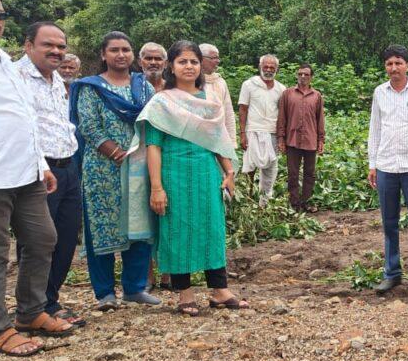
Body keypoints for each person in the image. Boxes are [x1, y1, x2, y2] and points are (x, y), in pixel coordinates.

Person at [0, 0, 71, 355]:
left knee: (43, 239)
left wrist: (41, 164)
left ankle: (30, 312)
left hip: (26, 175)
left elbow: (25, 118)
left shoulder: (2, 61)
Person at [135, 41, 247, 315]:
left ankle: (220, 290)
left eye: (194, 61)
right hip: (174, 174)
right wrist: (157, 187)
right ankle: (184, 293)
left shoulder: (209, 101)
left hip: (206, 172)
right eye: (182, 61)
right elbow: (153, 146)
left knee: (213, 228)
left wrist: (229, 171)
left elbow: (217, 140)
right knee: (177, 229)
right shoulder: (161, 102)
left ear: (200, 66)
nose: (189, 66)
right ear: (171, 66)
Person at [70, 31, 158, 310]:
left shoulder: (144, 86)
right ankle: (105, 292)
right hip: (102, 168)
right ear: (103, 54)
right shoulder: (90, 88)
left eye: (125, 50)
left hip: (140, 165)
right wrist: (117, 153)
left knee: (139, 223)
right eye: (114, 50)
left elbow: (154, 120)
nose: (121, 55)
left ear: (133, 54)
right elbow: (88, 126)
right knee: (101, 226)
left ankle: (134, 288)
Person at [15, 22, 84, 327]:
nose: (56, 51)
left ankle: (50, 301)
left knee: (66, 237)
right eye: (48, 45)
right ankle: (32, 307)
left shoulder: (56, 78)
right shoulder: (15, 76)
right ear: (28, 45)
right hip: (39, 170)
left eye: (61, 46)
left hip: (68, 166)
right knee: (39, 240)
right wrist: (40, 165)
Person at [367, 45, 408, 294]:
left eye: (398, 63)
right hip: (386, 165)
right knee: (389, 221)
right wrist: (373, 164)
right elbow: (375, 129)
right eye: (389, 64)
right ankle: (392, 272)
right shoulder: (379, 92)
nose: (394, 68)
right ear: (385, 67)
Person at [276, 64, 325, 212]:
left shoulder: (316, 96)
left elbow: (320, 119)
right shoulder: (287, 94)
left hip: (310, 139)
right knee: (292, 173)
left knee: (310, 173)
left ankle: (306, 201)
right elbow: (282, 117)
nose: (303, 77)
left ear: (311, 77)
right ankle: (294, 203)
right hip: (292, 140)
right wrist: (281, 138)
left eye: (306, 74)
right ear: (297, 75)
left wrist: (321, 140)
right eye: (300, 74)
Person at [238, 55, 285, 207]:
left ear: (276, 69)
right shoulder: (249, 84)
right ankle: (248, 197)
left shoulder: (281, 89)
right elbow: (243, 109)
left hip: (272, 132)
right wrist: (242, 134)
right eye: (266, 67)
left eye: (272, 67)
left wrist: (281, 137)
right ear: (260, 67)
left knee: (270, 167)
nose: (268, 70)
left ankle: (264, 202)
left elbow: (283, 113)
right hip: (253, 130)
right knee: (250, 166)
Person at [200, 43, 237, 145]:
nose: (218, 61)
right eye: (214, 58)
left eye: (218, 58)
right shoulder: (191, 81)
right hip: (199, 137)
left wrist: (232, 141)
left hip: (220, 137)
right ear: (201, 59)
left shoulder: (220, 82)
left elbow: (228, 112)